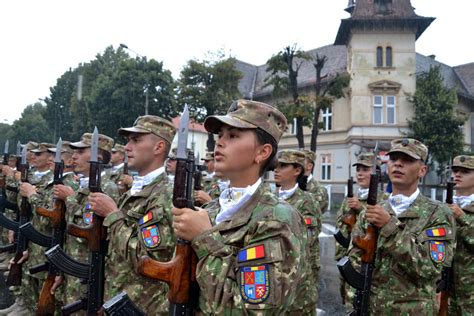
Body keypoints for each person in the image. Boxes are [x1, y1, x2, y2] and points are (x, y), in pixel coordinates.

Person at [172, 99, 309, 314]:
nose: (219, 142)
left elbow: (252, 310)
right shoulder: (209, 210)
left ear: (262, 153)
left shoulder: (278, 218)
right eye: (220, 135)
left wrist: (204, 238)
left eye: (233, 135)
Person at [349, 138, 456, 314]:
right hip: (371, 308)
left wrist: (389, 226)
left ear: (422, 170)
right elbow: (354, 259)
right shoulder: (373, 209)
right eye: (393, 159)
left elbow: (430, 267)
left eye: (406, 160)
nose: (398, 164)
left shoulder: (438, 213)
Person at [90, 115, 177, 313]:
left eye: (136, 140)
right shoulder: (136, 191)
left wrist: (112, 214)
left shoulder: (165, 195)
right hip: (118, 296)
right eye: (128, 140)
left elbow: (147, 259)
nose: (127, 147)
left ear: (159, 147)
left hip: (142, 305)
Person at [52, 132, 118, 306]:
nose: (74, 156)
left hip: (87, 268)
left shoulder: (105, 188)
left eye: (80, 152)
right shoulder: (81, 185)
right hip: (73, 263)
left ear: (97, 156)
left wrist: (70, 199)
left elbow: (85, 228)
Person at [335, 152, 388, 311]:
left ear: (375, 173)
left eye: (365, 169)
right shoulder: (350, 198)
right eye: (358, 169)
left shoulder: (384, 200)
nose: (360, 173)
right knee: (348, 304)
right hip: (347, 258)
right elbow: (340, 225)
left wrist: (360, 209)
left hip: (367, 264)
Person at [274, 149, 321, 314]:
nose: (276, 170)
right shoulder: (268, 197)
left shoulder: (308, 202)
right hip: (272, 278)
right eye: (276, 165)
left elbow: (306, 238)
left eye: (283, 166)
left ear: (297, 170)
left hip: (298, 279)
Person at [447, 155, 474, 314]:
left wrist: (462, 218)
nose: (457, 175)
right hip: (449, 289)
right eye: (455, 170)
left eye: (465, 171)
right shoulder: (445, 206)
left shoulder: (457, 210)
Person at [301, 149, 329, 213]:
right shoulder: (290, 185)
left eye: (301, 161)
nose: (297, 164)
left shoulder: (319, 190)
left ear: (309, 166)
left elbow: (315, 214)